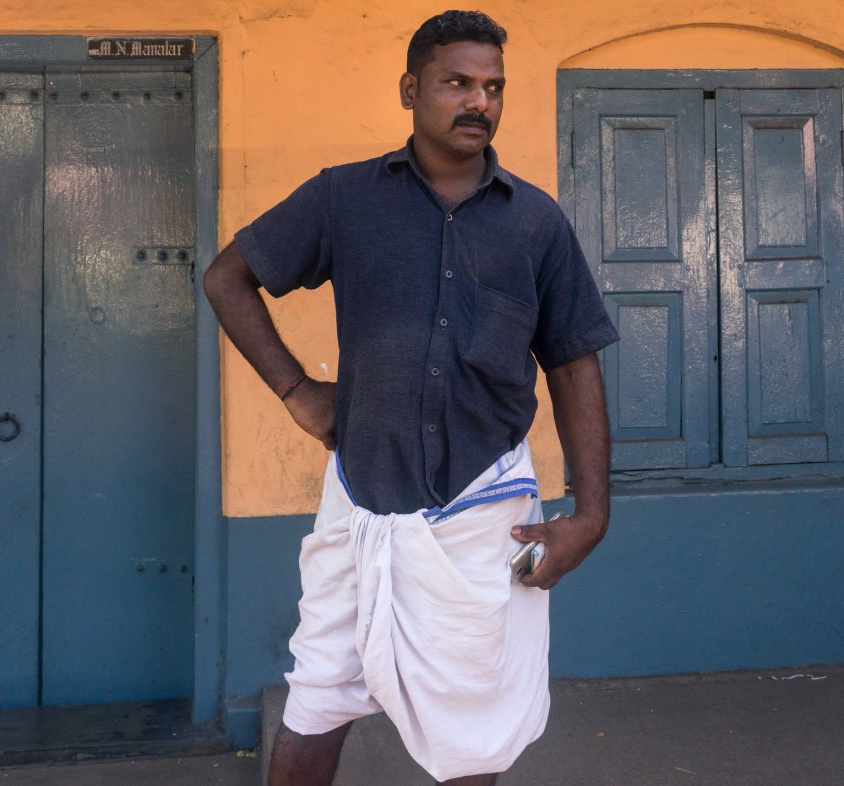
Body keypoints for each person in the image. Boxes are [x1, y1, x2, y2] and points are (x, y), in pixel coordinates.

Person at [203, 10, 618, 785]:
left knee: (475, 726)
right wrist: (296, 391)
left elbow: (573, 362)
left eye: (493, 86)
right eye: (457, 82)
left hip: (485, 505)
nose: (479, 101)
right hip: (361, 499)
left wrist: (590, 516)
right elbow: (228, 277)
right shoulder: (345, 199)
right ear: (410, 88)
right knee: (317, 697)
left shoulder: (535, 221)